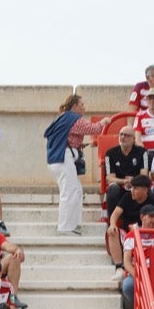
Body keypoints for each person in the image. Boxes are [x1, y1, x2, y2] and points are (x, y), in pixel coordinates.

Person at [44, 95, 105, 234]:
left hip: (59, 159)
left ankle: (74, 224)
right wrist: (105, 122)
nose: (84, 107)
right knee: (69, 192)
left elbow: (68, 137)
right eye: (82, 104)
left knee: (76, 191)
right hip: (63, 159)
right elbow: (94, 129)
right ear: (74, 106)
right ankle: (65, 227)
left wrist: (78, 144)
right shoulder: (74, 118)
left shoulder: (63, 118)